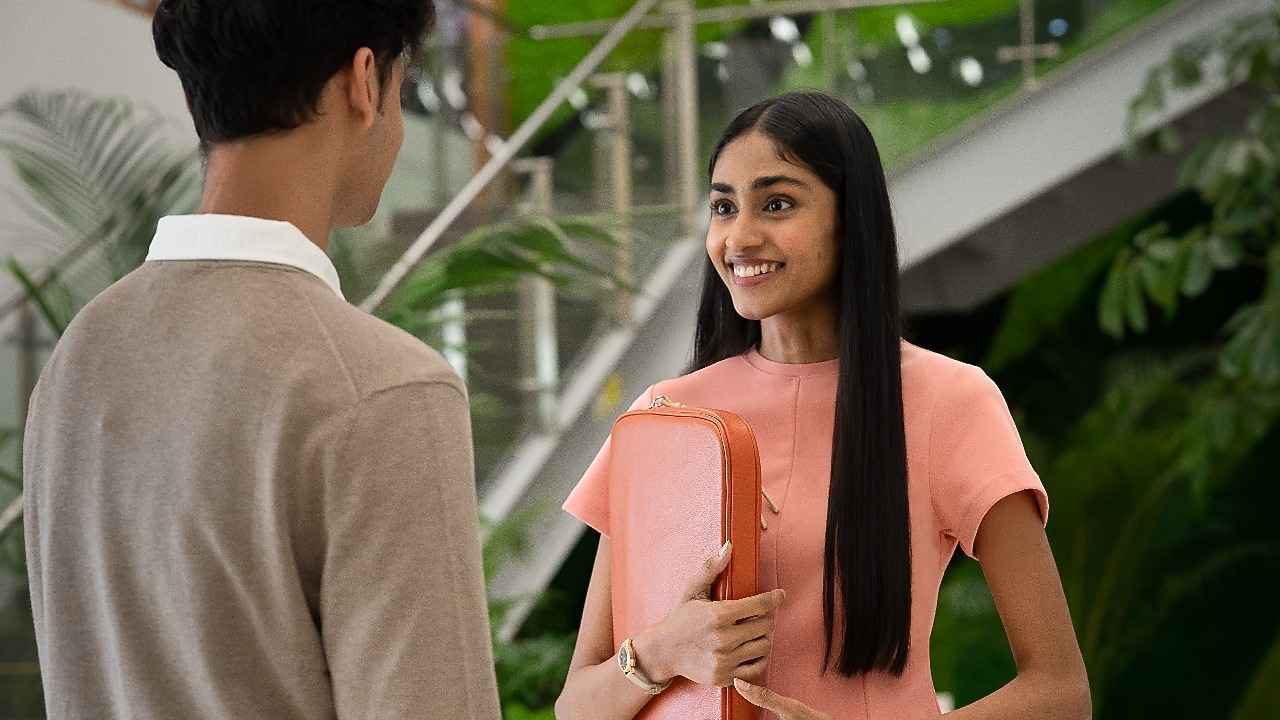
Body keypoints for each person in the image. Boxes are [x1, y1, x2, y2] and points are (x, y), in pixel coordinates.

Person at [22, 1, 502, 718]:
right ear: (365, 82)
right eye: (404, 90)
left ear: (192, 99)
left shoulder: (81, 353)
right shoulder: (384, 389)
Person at [555, 91, 1091, 720]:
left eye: (777, 204)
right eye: (724, 207)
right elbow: (575, 709)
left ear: (850, 217)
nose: (740, 237)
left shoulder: (951, 401)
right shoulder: (665, 416)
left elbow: (1060, 692)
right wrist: (660, 651)